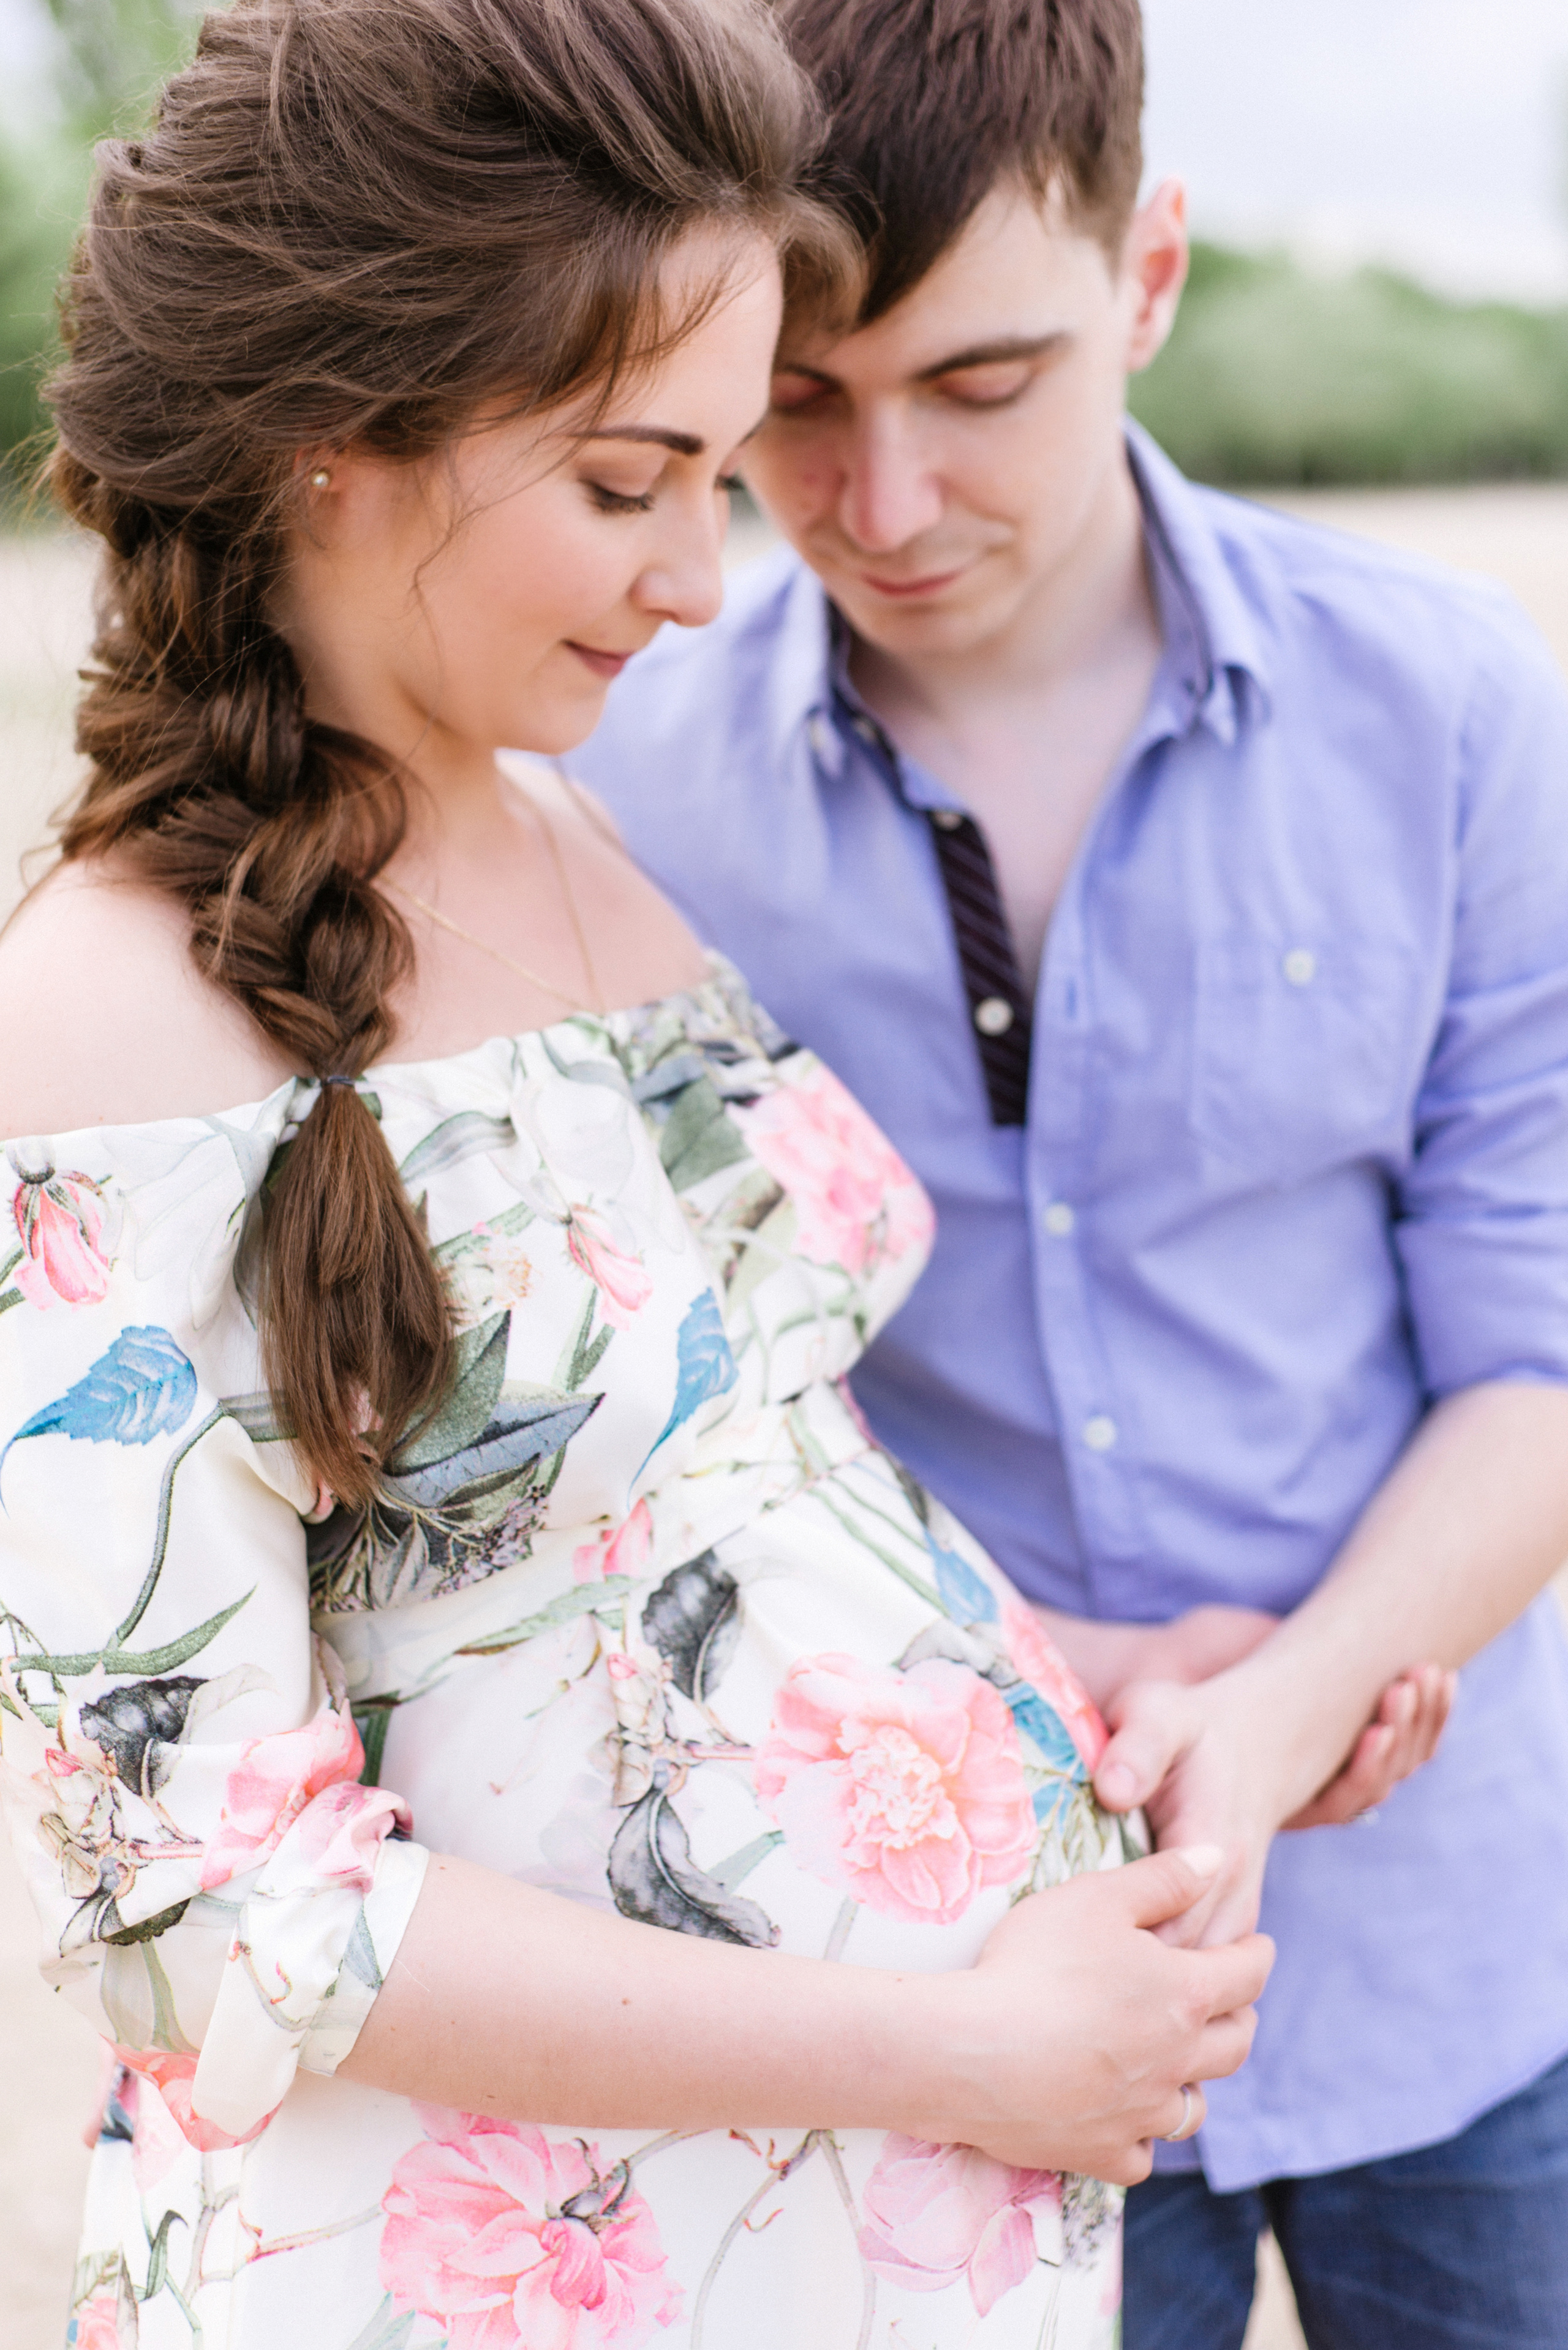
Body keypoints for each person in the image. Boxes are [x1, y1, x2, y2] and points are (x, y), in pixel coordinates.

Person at [0, 2, 1284, 2346]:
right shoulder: (104, 1021)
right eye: (625, 480)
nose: (705, 576)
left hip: (852, 2241)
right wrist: (964, 2048)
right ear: (330, 448)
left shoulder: (554, 817)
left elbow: (717, 1493)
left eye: (719, 470)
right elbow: (206, 1921)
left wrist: (1071, 1678)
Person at [569, 2, 1568, 2344]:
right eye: (798, 402)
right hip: (935, 1981)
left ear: (1154, 277)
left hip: (1457, 1949)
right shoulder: (623, 781)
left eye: (985, 383)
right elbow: (675, 1414)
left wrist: (1312, 1690)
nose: (884, 503)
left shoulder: (1456, 706)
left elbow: (1543, 1340)